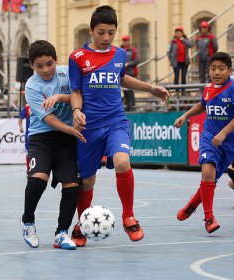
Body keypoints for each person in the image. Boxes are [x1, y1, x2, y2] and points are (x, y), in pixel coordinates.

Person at [69, 5, 169, 246]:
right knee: (87, 181)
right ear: (91, 30)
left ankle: (129, 217)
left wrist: (150, 88)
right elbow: (75, 91)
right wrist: (76, 111)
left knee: (123, 161)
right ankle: (82, 224)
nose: (106, 37)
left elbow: (121, 78)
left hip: (116, 121)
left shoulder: (119, 54)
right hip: (89, 127)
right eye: (101, 32)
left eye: (111, 32)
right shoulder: (77, 58)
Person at [20, 40, 86, 250]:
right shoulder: (32, 85)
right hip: (42, 137)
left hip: (66, 139)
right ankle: (28, 221)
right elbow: (48, 119)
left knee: (72, 185)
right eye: (39, 66)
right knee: (38, 180)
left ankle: (62, 232)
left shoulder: (67, 73)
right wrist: (71, 130)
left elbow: (78, 95)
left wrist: (60, 97)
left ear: (56, 60)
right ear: (32, 66)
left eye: (49, 64)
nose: (45, 70)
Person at [174, 52, 234, 234]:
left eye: (221, 69)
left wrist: (224, 132)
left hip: (230, 142)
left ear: (230, 71)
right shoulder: (208, 89)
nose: (217, 72)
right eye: (213, 68)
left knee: (211, 180)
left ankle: (192, 204)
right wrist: (185, 116)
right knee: (207, 172)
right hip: (209, 137)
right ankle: (209, 218)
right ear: (209, 70)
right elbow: (202, 105)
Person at [167, 26, 193, 95]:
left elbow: (190, 45)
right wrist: (171, 59)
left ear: (182, 33)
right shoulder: (172, 41)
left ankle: (183, 91)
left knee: (184, 76)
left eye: (179, 32)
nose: (178, 33)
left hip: (184, 62)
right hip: (176, 62)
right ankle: (177, 91)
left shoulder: (185, 40)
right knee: (176, 76)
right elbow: (168, 51)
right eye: (176, 32)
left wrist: (183, 40)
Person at [121, 34, 138, 111]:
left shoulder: (133, 50)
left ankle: (133, 106)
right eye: (124, 40)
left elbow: (136, 61)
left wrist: (128, 64)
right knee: (125, 91)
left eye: (126, 40)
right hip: (123, 73)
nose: (125, 42)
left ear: (129, 41)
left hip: (131, 73)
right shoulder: (120, 49)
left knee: (130, 90)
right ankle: (127, 106)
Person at [18, 103, 31, 172]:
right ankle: (28, 169)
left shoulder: (43, 103)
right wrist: (20, 127)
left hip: (40, 133)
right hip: (29, 134)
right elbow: (20, 117)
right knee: (28, 153)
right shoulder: (27, 107)